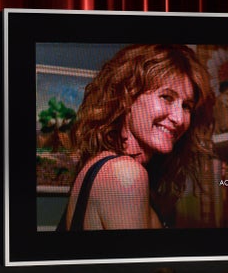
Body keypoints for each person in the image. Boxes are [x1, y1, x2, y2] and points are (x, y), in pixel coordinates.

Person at [60, 44, 215, 230]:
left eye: (186, 106)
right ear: (127, 97)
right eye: (166, 97)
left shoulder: (105, 165)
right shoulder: (125, 174)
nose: (179, 118)